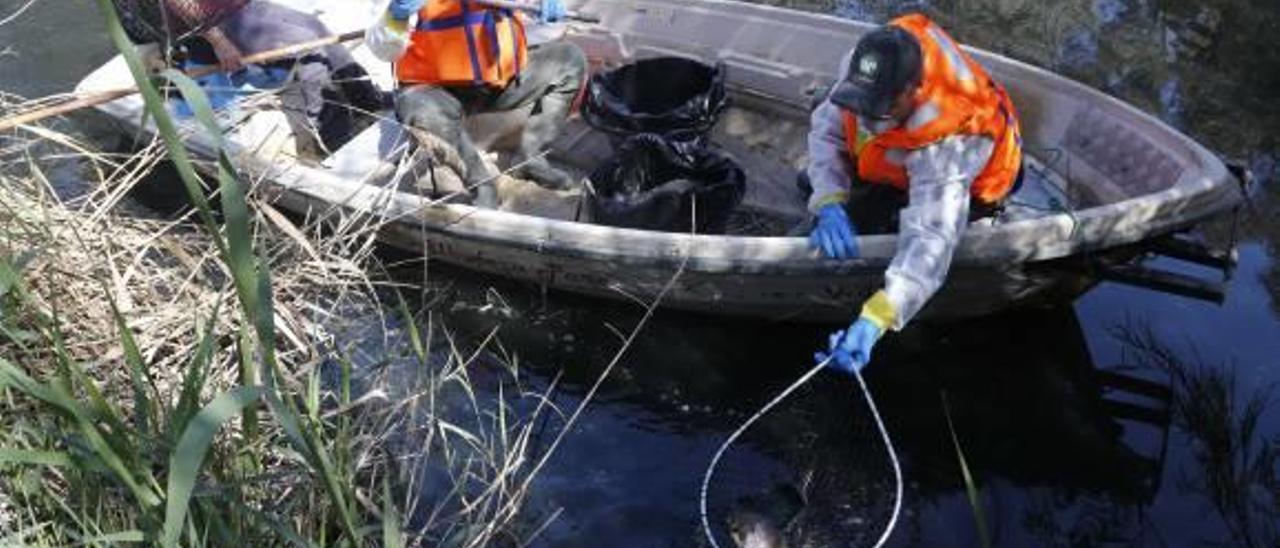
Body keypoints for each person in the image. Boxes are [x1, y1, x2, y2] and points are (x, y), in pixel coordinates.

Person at [808, 13, 1023, 373]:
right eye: (860, 105)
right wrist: (829, 201)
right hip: (900, 165)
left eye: (880, 109)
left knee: (910, 233)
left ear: (914, 90)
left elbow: (932, 240)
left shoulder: (951, 140)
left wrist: (877, 318)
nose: (865, 122)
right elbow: (826, 133)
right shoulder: (870, 61)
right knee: (829, 188)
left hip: (977, 182)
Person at [365, 0, 587, 207]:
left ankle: (531, 160)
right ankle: (480, 183)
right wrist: (396, 16)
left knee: (569, 59)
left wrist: (541, 4)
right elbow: (382, 50)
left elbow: (538, 29)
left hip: (499, 83)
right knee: (417, 106)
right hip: (436, 91)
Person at [115, 0, 390, 158]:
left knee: (317, 27)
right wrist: (219, 41)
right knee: (307, 50)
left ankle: (366, 98)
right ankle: (320, 141)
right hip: (214, 24)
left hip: (242, 8)